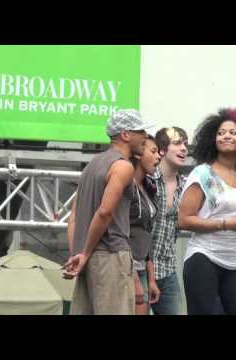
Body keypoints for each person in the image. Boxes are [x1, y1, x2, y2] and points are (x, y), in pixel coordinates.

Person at [64, 109, 152, 315]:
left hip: (88, 259)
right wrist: (84, 254)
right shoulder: (123, 166)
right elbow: (105, 212)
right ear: (125, 135)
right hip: (110, 256)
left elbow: (73, 217)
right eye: (141, 131)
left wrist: (78, 253)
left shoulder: (91, 165)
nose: (146, 137)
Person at [178, 108, 236, 314]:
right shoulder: (202, 174)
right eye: (221, 133)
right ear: (212, 139)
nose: (226, 136)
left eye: (233, 132)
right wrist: (226, 224)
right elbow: (183, 220)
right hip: (204, 259)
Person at [149, 126, 188, 315]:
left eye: (186, 144)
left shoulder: (187, 186)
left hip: (168, 270)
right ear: (162, 149)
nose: (184, 149)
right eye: (177, 143)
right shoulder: (147, 178)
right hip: (139, 268)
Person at [129, 135, 161, 315]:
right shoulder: (126, 186)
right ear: (139, 153)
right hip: (125, 270)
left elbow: (146, 235)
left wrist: (151, 279)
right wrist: (134, 279)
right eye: (153, 151)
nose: (158, 157)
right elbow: (119, 233)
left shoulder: (149, 188)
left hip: (142, 268)